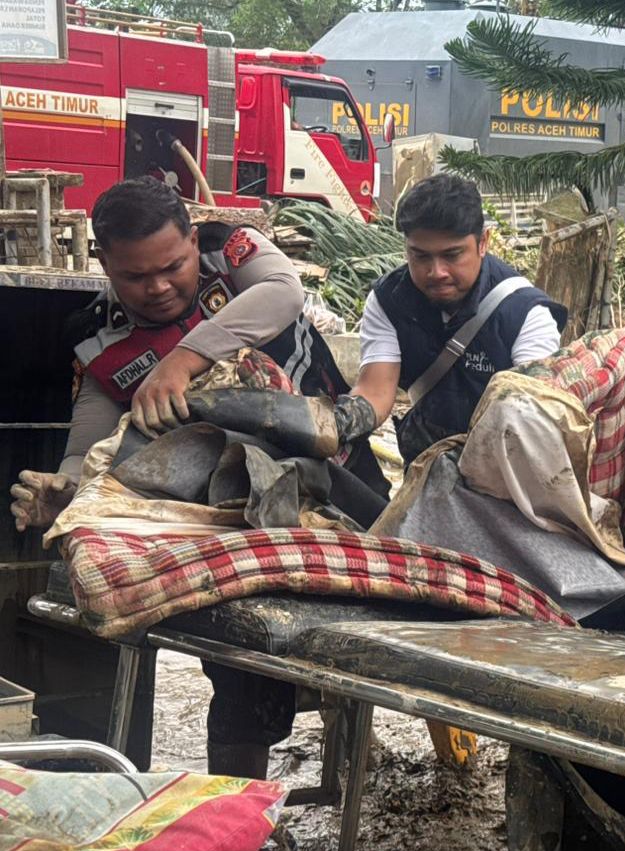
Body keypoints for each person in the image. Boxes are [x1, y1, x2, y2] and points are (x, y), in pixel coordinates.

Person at [8, 176, 388, 779]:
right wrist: (67, 490)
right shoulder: (98, 339)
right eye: (136, 276)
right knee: (240, 664)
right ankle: (235, 807)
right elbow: (91, 445)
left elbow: (284, 292)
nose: (158, 287)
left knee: (382, 631)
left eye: (172, 267)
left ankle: (357, 744)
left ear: (192, 240)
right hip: (237, 516)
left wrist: (182, 361)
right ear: (105, 264)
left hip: (342, 475)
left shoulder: (230, 250)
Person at [349, 174, 567, 464]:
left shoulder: (524, 314)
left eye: (452, 255)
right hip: (425, 461)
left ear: (483, 242)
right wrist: (338, 424)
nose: (436, 272)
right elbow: (375, 392)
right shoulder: (389, 300)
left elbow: (533, 417)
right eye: (421, 256)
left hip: (502, 464)